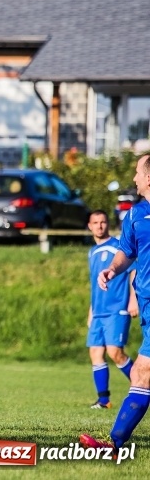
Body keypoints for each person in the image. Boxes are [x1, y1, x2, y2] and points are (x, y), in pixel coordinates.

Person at [81, 154, 150, 451]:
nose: (133, 178)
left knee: (141, 373)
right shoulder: (134, 214)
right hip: (147, 303)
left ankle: (114, 443)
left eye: (137, 172)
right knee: (140, 374)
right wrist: (112, 268)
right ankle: (115, 442)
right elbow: (127, 252)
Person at [86, 210, 138, 409]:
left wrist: (133, 300)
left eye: (103, 222)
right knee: (96, 354)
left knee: (115, 352)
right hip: (98, 312)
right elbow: (94, 283)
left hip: (116, 309)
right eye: (95, 222)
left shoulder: (118, 246)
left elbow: (133, 269)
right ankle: (104, 400)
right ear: (89, 226)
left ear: (108, 224)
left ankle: (142, 385)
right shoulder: (91, 251)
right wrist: (91, 310)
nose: (100, 226)